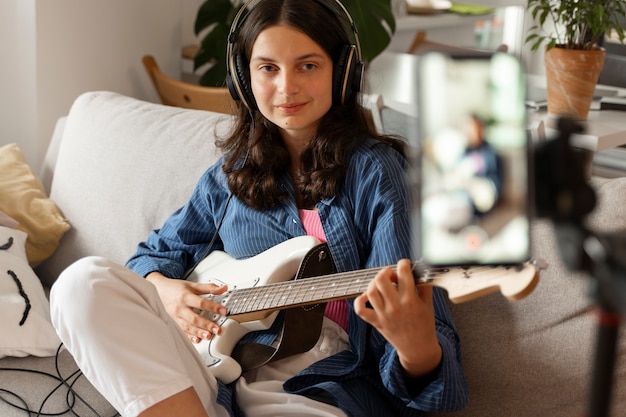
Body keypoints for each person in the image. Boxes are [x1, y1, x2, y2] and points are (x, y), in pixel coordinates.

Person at [50, 1, 468, 416]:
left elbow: (437, 387)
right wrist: (166, 291)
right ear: (243, 79)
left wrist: (417, 350)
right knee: (80, 284)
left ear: (342, 73)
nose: (287, 87)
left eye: (308, 66)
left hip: (318, 388)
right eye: (268, 68)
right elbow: (150, 257)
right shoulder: (229, 176)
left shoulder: (378, 172)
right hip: (211, 382)